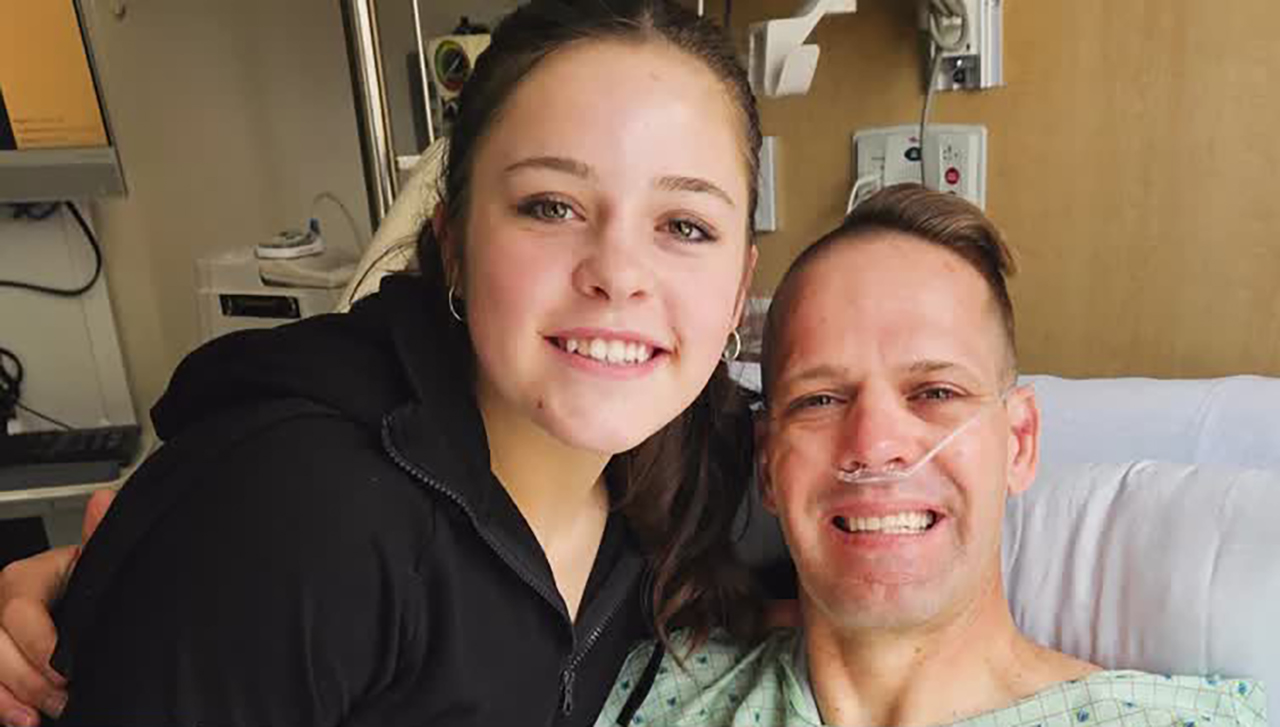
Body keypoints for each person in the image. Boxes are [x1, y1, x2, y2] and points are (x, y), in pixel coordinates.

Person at [0, 1, 768, 725]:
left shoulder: (705, 469)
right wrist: (141, 578)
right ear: (453, 244)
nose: (618, 272)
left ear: (739, 289)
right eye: (552, 205)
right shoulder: (301, 515)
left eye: (686, 225)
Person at [594, 185, 1267, 727]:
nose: (875, 447)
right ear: (768, 463)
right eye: (822, 399)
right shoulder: (650, 688)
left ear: (1020, 442)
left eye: (936, 391)